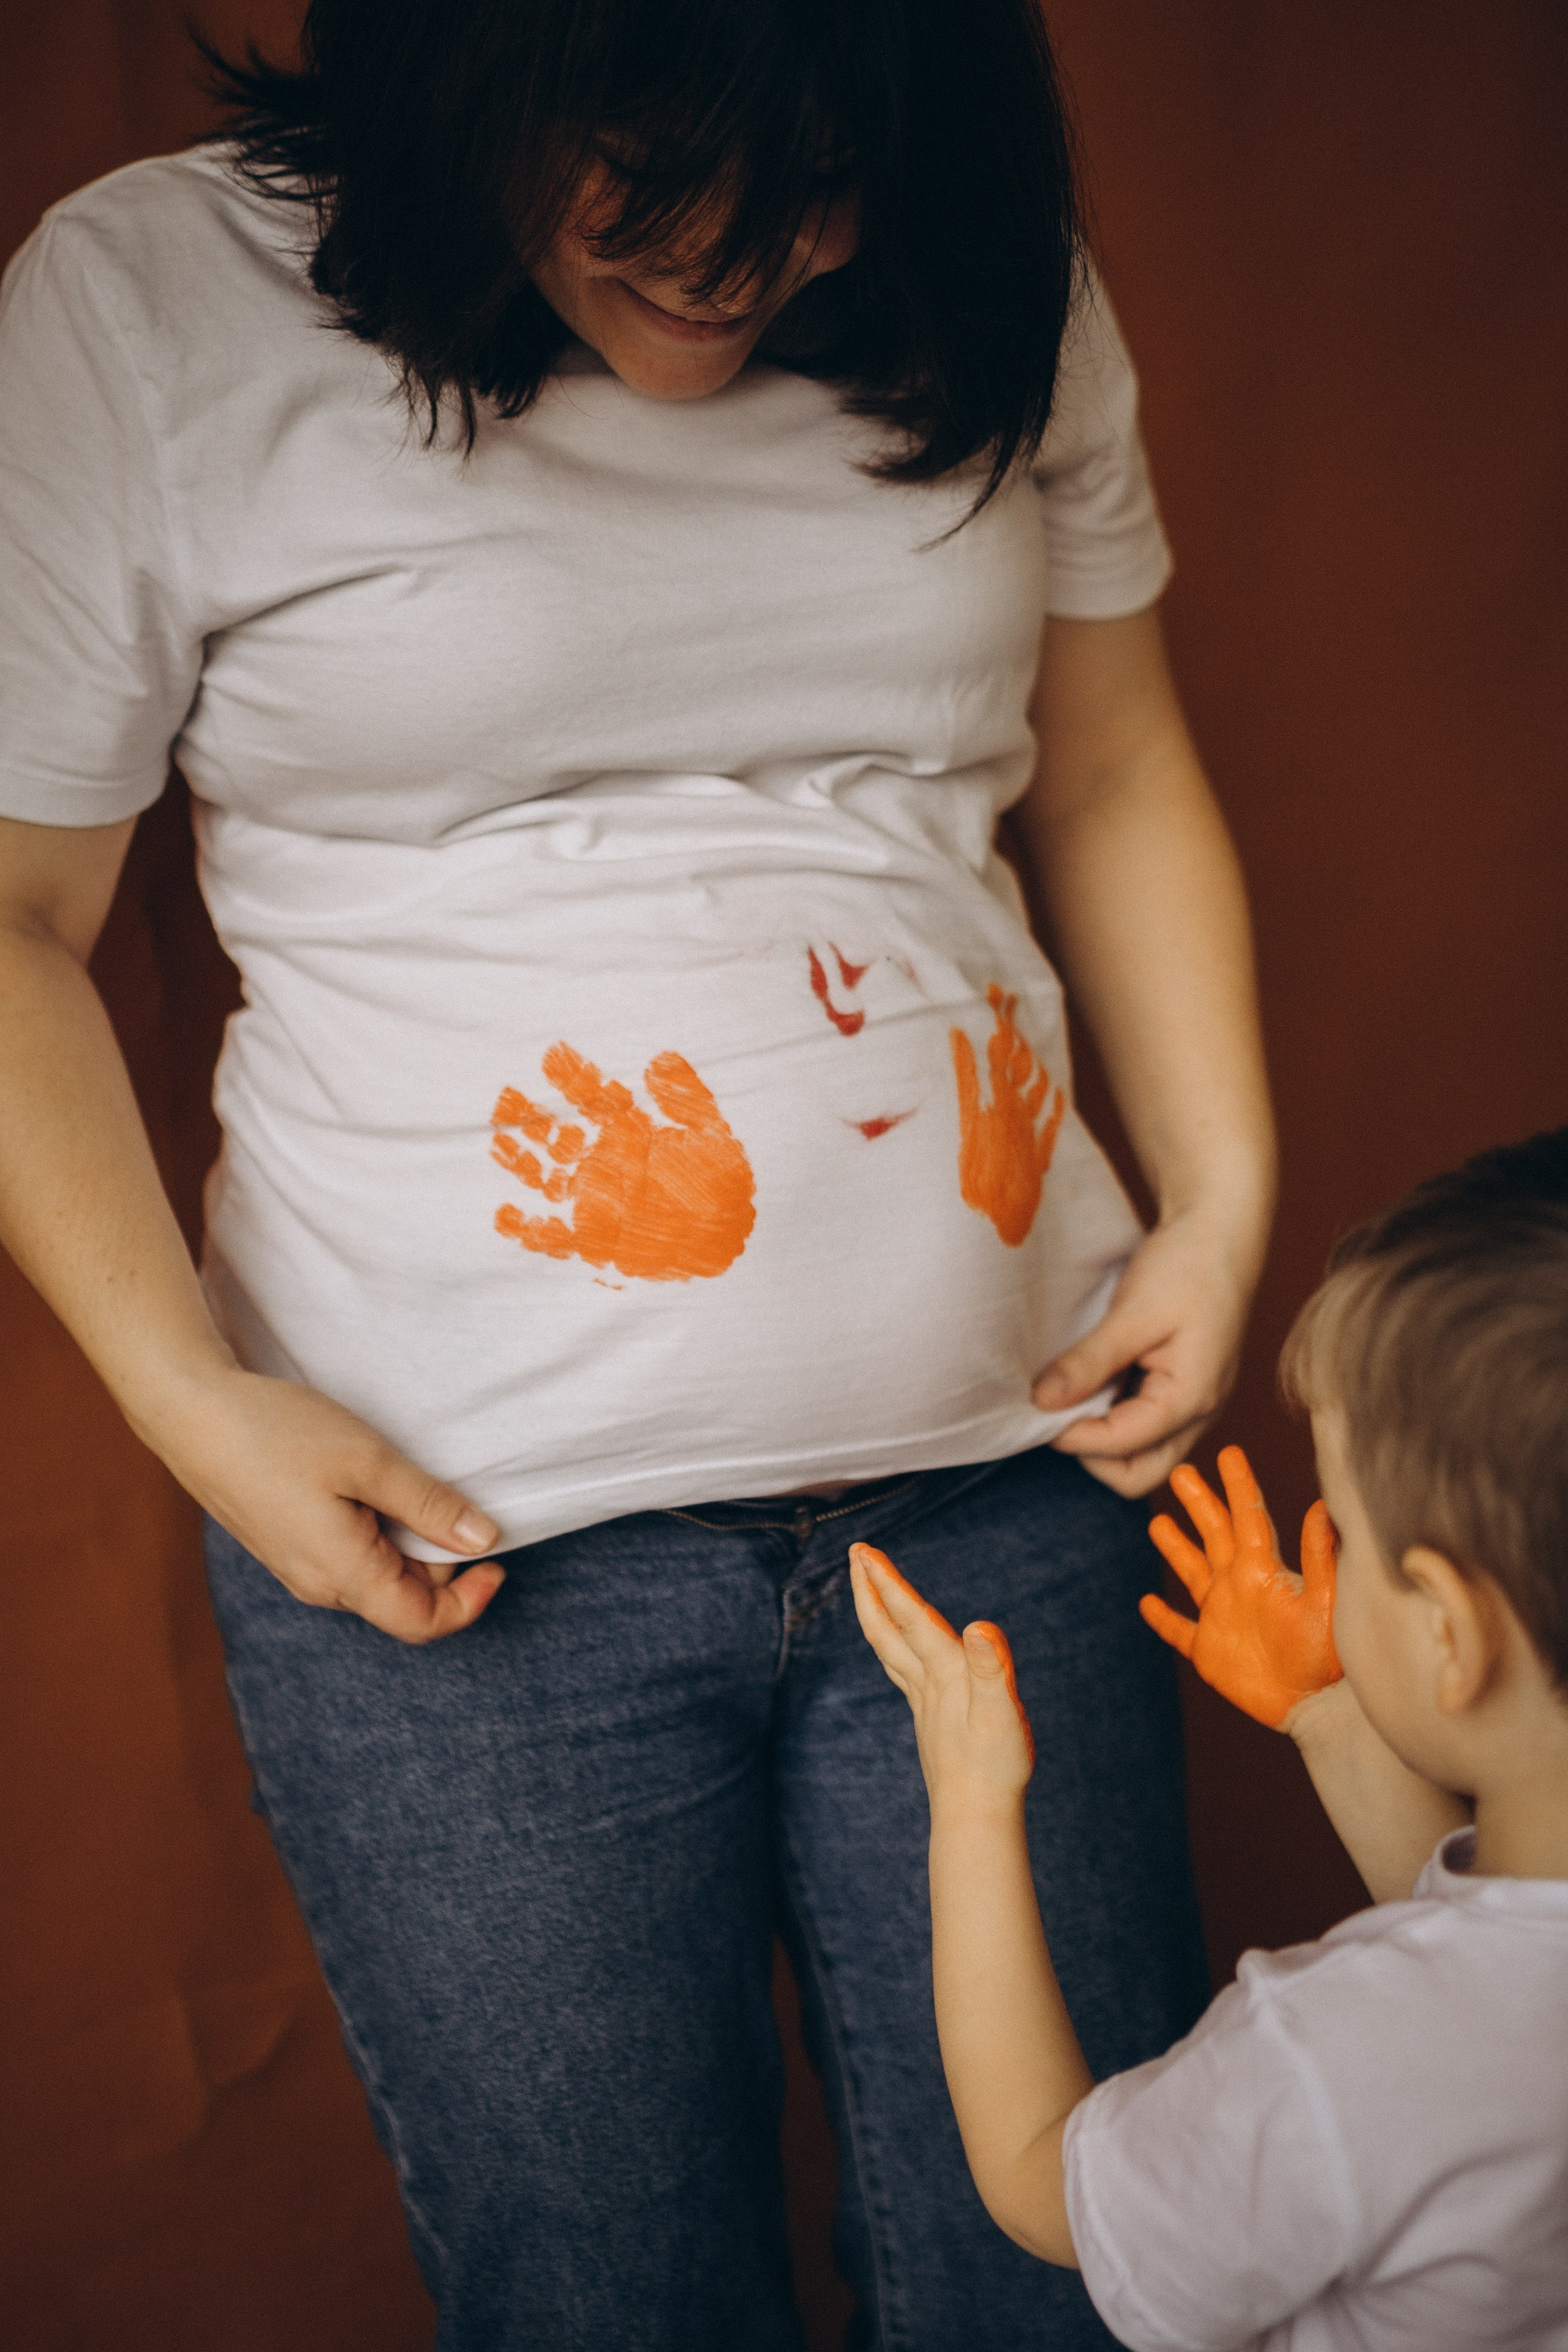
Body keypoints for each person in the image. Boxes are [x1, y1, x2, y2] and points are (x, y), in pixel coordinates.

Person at [0, 1, 1275, 2343]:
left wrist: (1219, 1195)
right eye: (650, 162)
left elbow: (1106, 767)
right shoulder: (156, 303)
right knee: (613, 2309)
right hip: (469, 1559)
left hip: (1009, 1481)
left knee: (1082, 2283)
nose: (734, 258)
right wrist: (197, 1406)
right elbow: (10, 926)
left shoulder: (989, 271)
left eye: (820, 185)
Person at [852, 1129, 1568, 2351]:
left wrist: (969, 1805)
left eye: (1342, 1523)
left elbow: (1041, 2184)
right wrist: (1328, 1709)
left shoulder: (1337, 2058)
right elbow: (1494, 1952)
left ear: (1448, 1631)